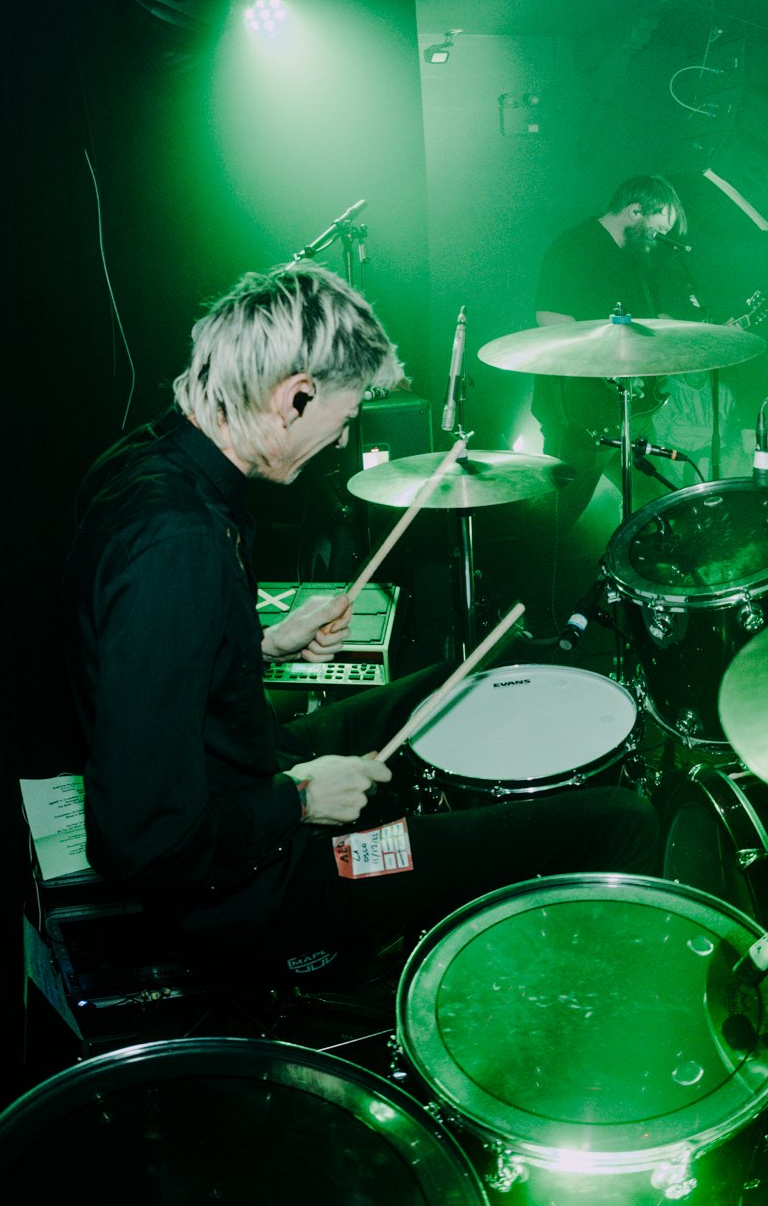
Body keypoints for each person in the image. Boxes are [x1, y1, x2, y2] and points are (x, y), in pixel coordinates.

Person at [65, 263, 658, 978]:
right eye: (344, 419)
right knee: (623, 819)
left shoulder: (146, 461)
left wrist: (263, 644)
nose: (345, 441)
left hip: (247, 765)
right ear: (294, 397)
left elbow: (149, 671)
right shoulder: (178, 544)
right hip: (249, 885)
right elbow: (141, 837)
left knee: (470, 675)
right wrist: (302, 799)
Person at [531, 175, 710, 527]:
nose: (657, 240)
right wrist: (607, 363)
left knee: (652, 508)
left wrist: (677, 330)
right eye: (656, 230)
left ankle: (631, 576)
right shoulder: (574, 246)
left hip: (634, 406)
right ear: (634, 211)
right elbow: (549, 317)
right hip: (580, 410)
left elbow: (642, 321)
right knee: (557, 515)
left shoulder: (634, 260)